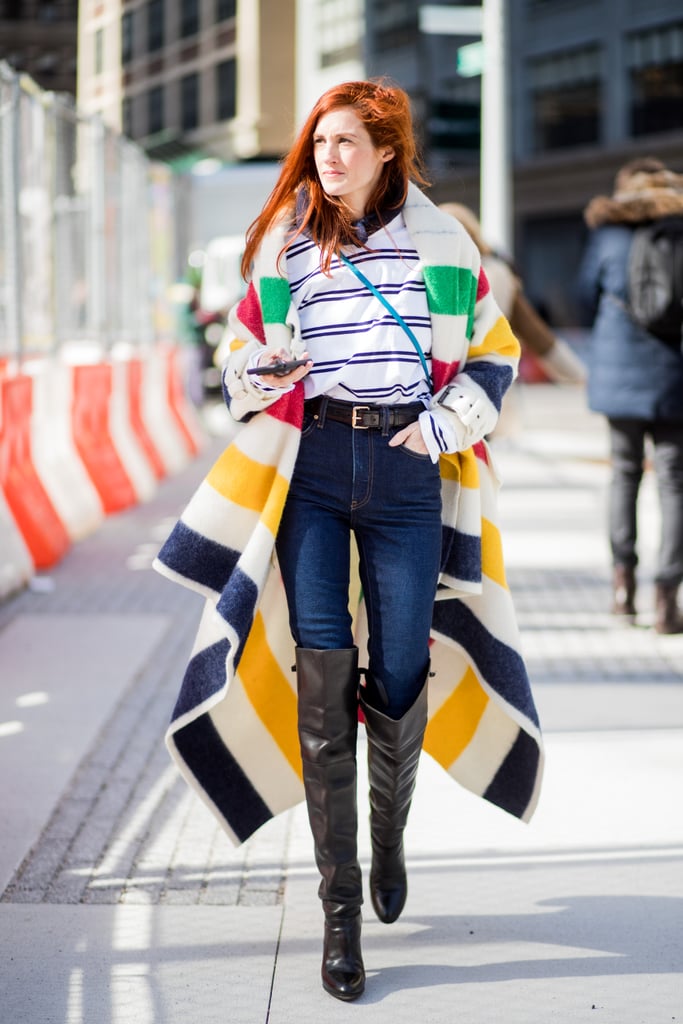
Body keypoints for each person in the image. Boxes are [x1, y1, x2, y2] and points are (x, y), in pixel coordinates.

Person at [154, 80, 543, 1001]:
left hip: (408, 469)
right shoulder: (284, 239)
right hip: (312, 467)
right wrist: (261, 364)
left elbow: (493, 351)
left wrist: (443, 426)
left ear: (385, 153)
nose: (327, 156)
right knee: (321, 669)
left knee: (401, 667)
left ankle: (389, 836)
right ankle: (339, 912)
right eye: (319, 141)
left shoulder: (442, 239)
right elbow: (237, 359)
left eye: (345, 143)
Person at [577, 157, 683, 634]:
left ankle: (623, 590)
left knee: (623, 474)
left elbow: (582, 298)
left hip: (619, 372)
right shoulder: (679, 232)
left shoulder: (607, 236)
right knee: (674, 481)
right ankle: (667, 599)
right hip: (673, 372)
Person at [439, 202, 587, 386]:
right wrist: (578, 375)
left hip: (445, 385)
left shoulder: (432, 276)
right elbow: (536, 334)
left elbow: (535, 333)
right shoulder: (499, 273)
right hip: (491, 383)